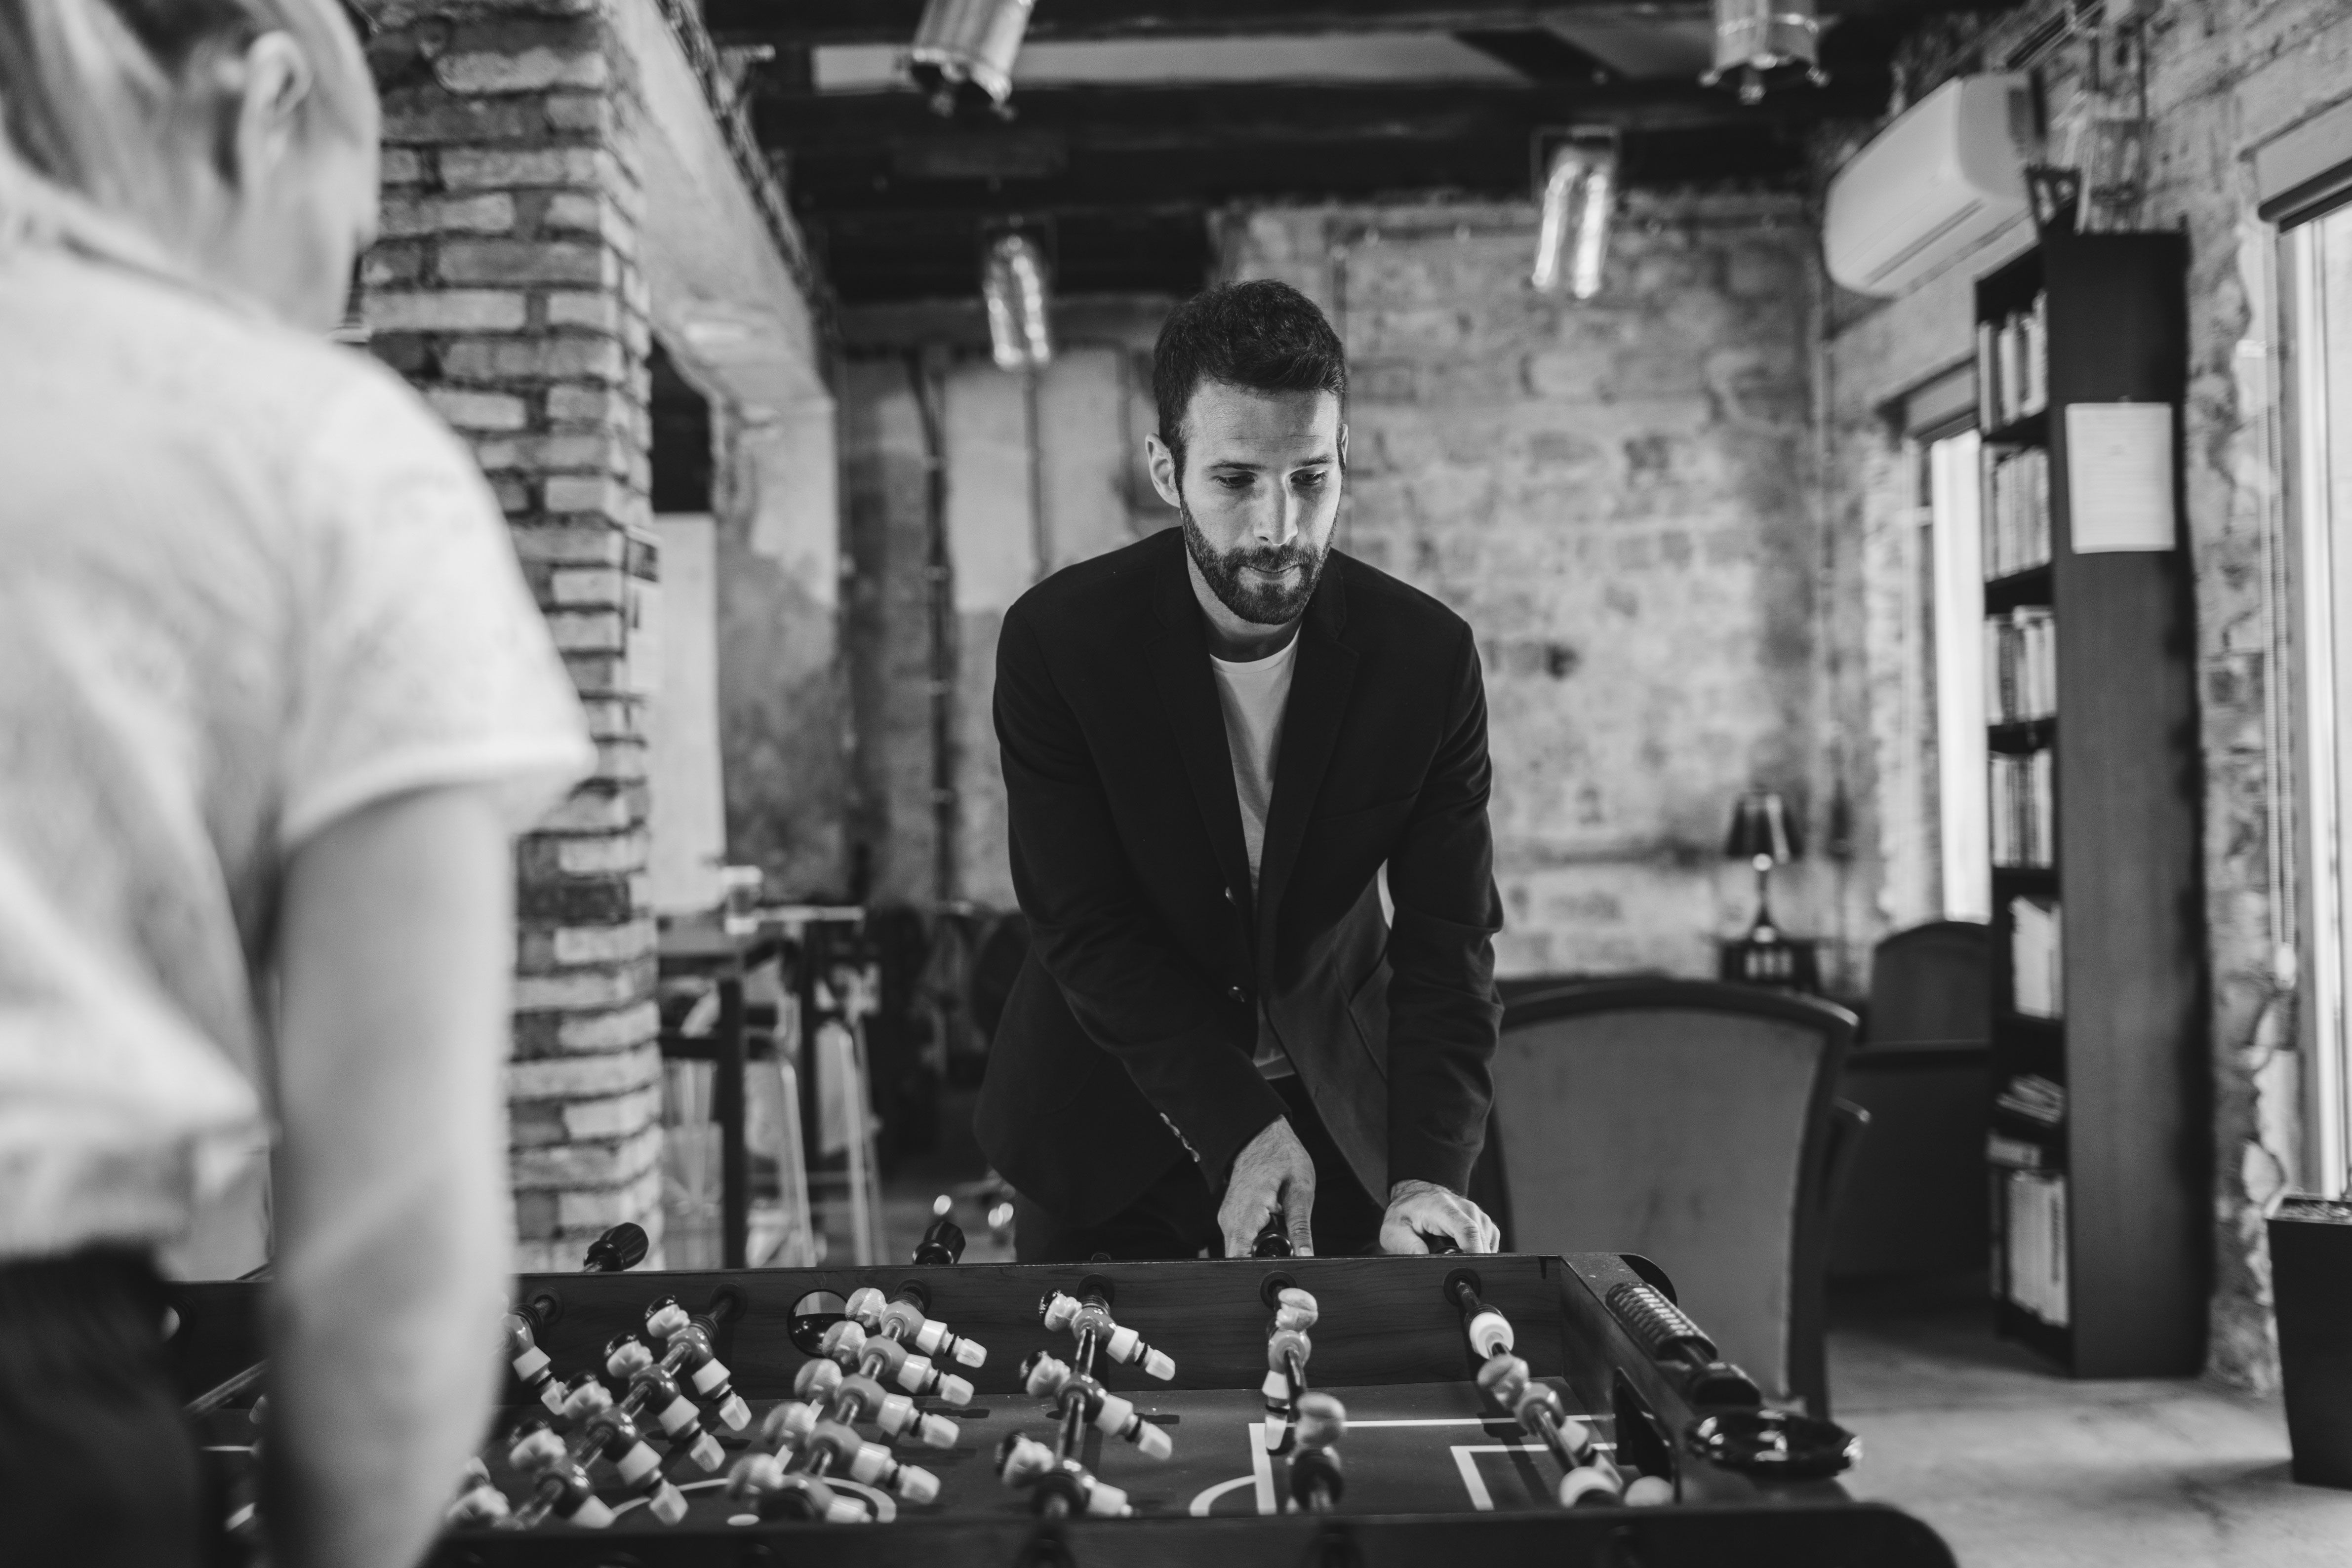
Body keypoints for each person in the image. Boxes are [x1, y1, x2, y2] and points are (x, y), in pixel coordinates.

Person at [0, 4, 593, 1566]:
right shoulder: (314, 457)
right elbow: (396, 1263)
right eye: (339, 254)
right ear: (263, 101)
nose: (323, 318)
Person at [978, 279, 1506, 1263]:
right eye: (1235, 480)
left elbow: (1449, 937)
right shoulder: (1059, 645)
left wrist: (1431, 1167)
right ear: (1165, 471)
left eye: (1311, 478)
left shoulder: (1426, 660)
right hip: (1106, 1113)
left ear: (1344, 457)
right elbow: (1084, 927)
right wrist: (1240, 1126)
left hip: (1340, 1113)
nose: (1278, 525)